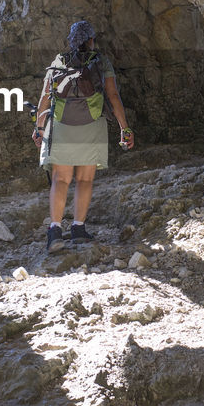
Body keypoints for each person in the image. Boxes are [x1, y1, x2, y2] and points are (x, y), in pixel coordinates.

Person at [31, 20, 134, 250]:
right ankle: (78, 229)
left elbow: (45, 98)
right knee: (85, 179)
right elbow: (113, 96)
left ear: (70, 41)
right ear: (91, 40)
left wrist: (39, 128)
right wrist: (124, 128)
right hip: (91, 123)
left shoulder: (59, 61)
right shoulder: (101, 62)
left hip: (62, 124)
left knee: (60, 179)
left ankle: (55, 232)